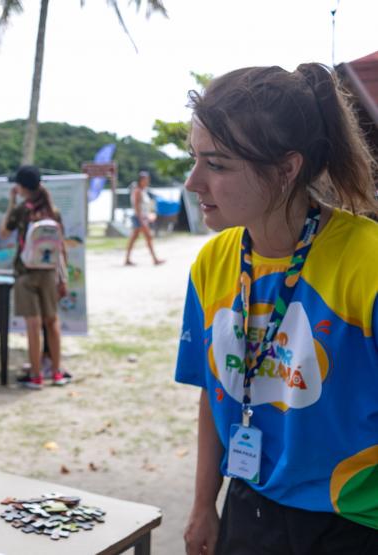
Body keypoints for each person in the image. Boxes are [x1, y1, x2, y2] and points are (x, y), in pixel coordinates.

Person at [177, 63, 378, 555]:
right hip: (253, 505)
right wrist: (205, 505)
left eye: (217, 164)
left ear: (287, 169)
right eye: (194, 159)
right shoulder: (212, 262)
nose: (192, 183)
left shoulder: (367, 263)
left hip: (354, 520)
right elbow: (212, 390)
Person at [0, 165, 67, 389]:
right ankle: (57, 372)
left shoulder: (21, 210)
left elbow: (4, 232)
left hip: (25, 273)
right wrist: (63, 279)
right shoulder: (53, 211)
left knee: (33, 324)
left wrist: (11, 203)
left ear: (21, 187)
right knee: (52, 322)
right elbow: (61, 249)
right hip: (49, 273)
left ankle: (36, 375)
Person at [123, 171, 163, 266]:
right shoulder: (137, 191)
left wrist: (149, 216)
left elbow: (145, 207)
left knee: (134, 238)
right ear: (140, 180)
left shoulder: (143, 191)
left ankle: (127, 259)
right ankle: (155, 259)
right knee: (148, 237)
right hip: (140, 218)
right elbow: (137, 207)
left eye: (148, 179)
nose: (147, 181)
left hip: (142, 218)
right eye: (145, 179)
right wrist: (142, 220)